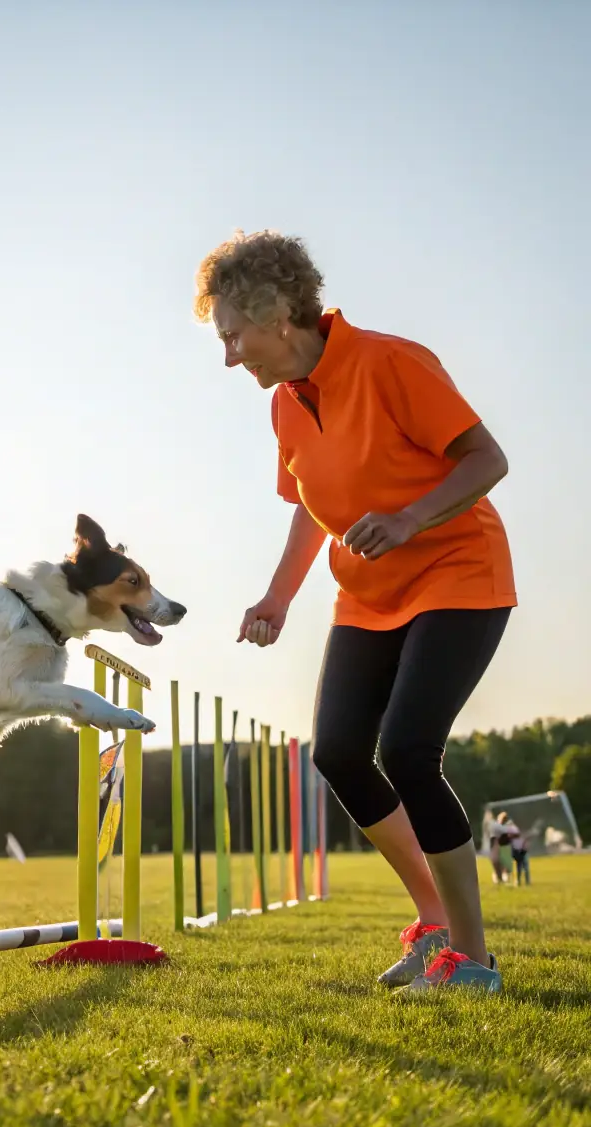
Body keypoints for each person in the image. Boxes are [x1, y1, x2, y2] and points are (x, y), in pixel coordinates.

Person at [195, 230, 516, 993]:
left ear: (278, 314)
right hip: (367, 593)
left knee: (408, 750)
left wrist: (409, 519)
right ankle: (433, 918)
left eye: (235, 335)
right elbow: (310, 509)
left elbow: (486, 459)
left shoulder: (390, 361)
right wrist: (277, 596)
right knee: (338, 750)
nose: (231, 356)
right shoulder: (285, 407)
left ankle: (472, 960)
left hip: (457, 572)